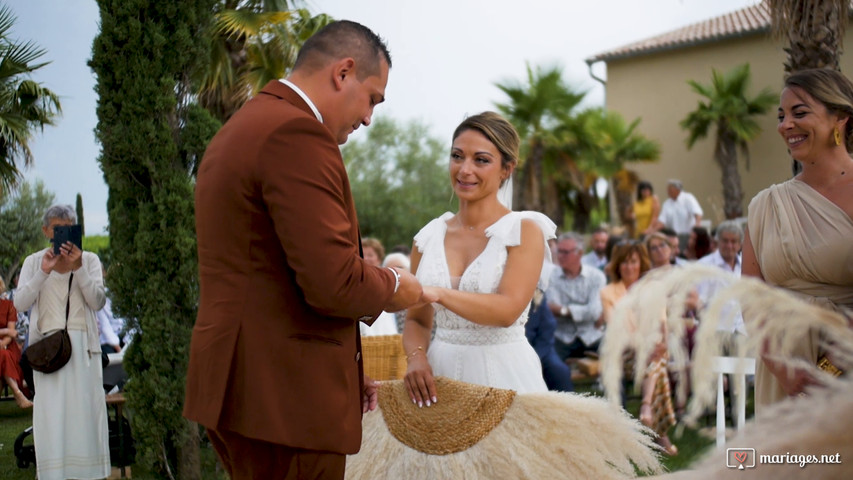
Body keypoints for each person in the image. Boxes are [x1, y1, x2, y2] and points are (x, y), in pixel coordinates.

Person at [184, 21, 432, 480]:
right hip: (283, 399)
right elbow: (334, 281)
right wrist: (399, 284)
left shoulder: (243, 127)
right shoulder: (296, 134)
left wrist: (342, 363)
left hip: (246, 385)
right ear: (344, 72)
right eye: (372, 97)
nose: (368, 117)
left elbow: (270, 271)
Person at [402, 111, 556, 405]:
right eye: (457, 156)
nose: (464, 169)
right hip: (440, 376)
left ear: (506, 169)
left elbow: (506, 310)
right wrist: (416, 358)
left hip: (505, 376)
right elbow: (417, 321)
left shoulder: (523, 231)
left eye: (481, 160)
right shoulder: (427, 238)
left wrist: (438, 293)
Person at [743, 68, 853, 411]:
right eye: (781, 116)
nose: (785, 125)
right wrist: (785, 370)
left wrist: (831, 366)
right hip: (781, 378)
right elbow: (750, 298)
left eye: (799, 113)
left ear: (840, 119)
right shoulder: (765, 205)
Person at [14, 204, 110, 480]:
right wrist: (43, 271)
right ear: (46, 231)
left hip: (83, 351)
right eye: (58, 229)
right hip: (48, 351)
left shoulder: (89, 260)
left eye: (69, 228)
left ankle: (89, 473)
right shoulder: (34, 262)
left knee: (84, 418)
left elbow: (98, 301)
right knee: (52, 418)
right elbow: (20, 303)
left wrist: (79, 268)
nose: (63, 234)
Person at [600, 242, 677, 456]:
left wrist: (658, 343)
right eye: (624, 262)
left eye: (633, 261)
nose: (628, 266)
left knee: (656, 358)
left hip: (653, 351)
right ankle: (658, 430)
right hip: (623, 354)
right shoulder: (608, 292)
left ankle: (646, 408)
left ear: (640, 263)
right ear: (617, 265)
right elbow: (616, 330)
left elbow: (661, 324)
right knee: (657, 363)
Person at [546, 232, 607, 361]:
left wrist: (564, 310)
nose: (561, 256)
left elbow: (594, 312)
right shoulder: (551, 277)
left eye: (565, 252)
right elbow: (552, 308)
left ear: (580, 253)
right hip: (563, 337)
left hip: (591, 335)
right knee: (549, 365)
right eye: (559, 252)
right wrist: (583, 310)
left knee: (613, 358)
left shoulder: (596, 276)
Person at [0, 274, 31, 408]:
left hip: (8, 346)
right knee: (2, 355)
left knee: (3, 354)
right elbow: (10, 331)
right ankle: (18, 394)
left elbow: (12, 332)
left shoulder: (9, 305)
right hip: (3, 350)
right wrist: (5, 331)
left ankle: (19, 395)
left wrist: (3, 342)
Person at [654, 179, 703, 251]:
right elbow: (662, 221)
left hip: (687, 235)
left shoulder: (688, 198)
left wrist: (697, 225)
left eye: (669, 189)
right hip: (673, 237)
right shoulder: (667, 203)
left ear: (677, 189)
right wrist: (653, 232)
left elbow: (697, 212)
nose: (667, 192)